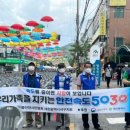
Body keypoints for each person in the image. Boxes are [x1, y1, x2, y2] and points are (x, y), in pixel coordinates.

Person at [76, 62, 103, 130]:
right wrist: (79, 95)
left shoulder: (93, 76)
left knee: (94, 112)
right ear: (84, 68)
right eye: (86, 67)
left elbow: (96, 86)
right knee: (85, 112)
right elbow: (78, 86)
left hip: (93, 97)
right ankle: (86, 126)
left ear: (91, 68)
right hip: (84, 98)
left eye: (89, 67)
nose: (88, 68)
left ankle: (96, 125)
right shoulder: (81, 76)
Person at [22, 62, 42, 129]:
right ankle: (29, 122)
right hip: (27, 95)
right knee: (28, 109)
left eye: (32, 66)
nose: (31, 67)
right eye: (30, 66)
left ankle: (38, 122)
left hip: (37, 95)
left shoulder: (39, 76)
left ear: (34, 68)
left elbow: (41, 84)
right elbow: (23, 84)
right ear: (28, 68)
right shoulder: (25, 76)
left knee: (38, 109)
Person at [53, 63, 72, 130]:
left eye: (62, 67)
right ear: (58, 69)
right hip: (57, 96)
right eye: (60, 67)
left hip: (66, 96)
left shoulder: (68, 77)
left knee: (66, 111)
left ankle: (67, 125)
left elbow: (70, 86)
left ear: (65, 68)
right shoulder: (55, 77)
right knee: (58, 111)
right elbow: (53, 86)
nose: (61, 69)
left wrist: (68, 93)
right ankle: (59, 124)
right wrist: (54, 93)